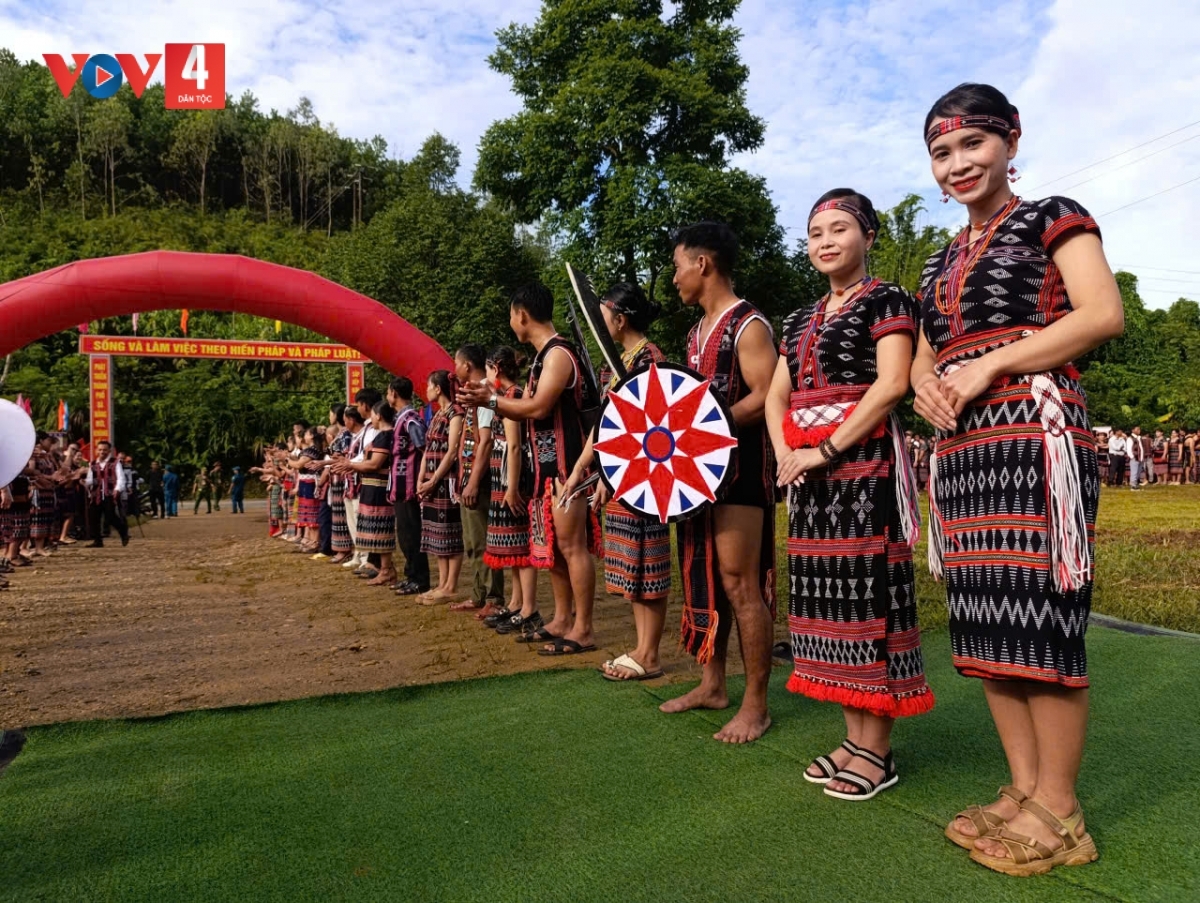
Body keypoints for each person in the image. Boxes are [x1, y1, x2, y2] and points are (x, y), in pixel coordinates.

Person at [913, 83, 1122, 875]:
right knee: (988, 622)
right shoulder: (939, 259)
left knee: (1041, 617)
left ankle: (1062, 812)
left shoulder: (1053, 217)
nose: (958, 163)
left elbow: (1100, 313)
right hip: (965, 449)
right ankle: (1026, 788)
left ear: (1011, 139)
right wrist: (925, 385)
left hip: (1035, 435)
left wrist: (989, 364)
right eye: (942, 152)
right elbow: (928, 352)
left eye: (973, 143)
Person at [767, 189, 934, 800]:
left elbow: (891, 384)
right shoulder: (797, 320)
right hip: (809, 479)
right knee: (827, 603)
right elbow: (777, 394)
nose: (826, 241)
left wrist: (825, 449)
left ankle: (878, 749)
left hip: (863, 467)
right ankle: (853, 737)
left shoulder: (888, 299)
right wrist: (787, 452)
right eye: (816, 233)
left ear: (867, 236)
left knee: (869, 599)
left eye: (839, 229)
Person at [657, 222, 779, 744]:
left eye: (677, 266)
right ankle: (712, 685)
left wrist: (706, 429)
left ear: (702, 264)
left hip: (742, 473)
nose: (674, 278)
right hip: (696, 477)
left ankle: (756, 705)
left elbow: (768, 393)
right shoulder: (695, 333)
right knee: (704, 577)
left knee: (739, 582)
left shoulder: (747, 325)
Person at [458, 283, 600, 657]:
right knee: (554, 550)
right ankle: (562, 619)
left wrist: (491, 400)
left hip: (566, 467)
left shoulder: (559, 354)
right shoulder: (543, 357)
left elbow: (538, 408)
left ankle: (584, 628)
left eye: (510, 315)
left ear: (521, 314)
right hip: (542, 470)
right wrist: (489, 399)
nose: (511, 322)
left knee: (571, 547)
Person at [559, 283, 672, 681]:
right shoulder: (614, 364)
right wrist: (582, 468)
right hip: (620, 475)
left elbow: (647, 424)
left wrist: (609, 471)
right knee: (631, 566)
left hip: (646, 476)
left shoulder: (649, 359)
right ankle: (642, 648)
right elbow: (607, 422)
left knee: (647, 561)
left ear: (620, 320)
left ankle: (650, 653)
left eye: (604, 315)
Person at [479, 346, 539, 633]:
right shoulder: (505, 396)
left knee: (521, 545)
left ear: (496, 368)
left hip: (510, 479)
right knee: (512, 547)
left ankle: (529, 608)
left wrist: (512, 488)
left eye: (487, 369)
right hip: (502, 479)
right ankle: (516, 602)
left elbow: (514, 445)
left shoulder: (513, 396)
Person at [452, 344, 506, 611]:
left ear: (466, 365)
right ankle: (478, 594)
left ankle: (493, 597)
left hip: (480, 478)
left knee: (483, 539)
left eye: (456, 363)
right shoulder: (475, 394)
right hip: (470, 474)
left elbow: (486, 441)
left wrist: (473, 482)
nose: (454, 369)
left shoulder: (484, 393)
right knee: (472, 540)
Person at [333, 401, 397, 586]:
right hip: (371, 487)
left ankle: (386, 569)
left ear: (379, 416)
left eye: (373, 415)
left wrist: (350, 465)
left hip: (378, 488)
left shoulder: (386, 436)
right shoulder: (381, 436)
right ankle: (383, 568)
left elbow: (374, 464)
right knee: (375, 529)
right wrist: (350, 464)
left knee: (381, 530)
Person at [417, 370, 466, 603]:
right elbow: (428, 450)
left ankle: (451, 586)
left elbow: (452, 451)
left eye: (429, 386)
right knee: (436, 533)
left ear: (438, 389)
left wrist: (434, 479)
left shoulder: (456, 413)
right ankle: (441, 583)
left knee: (449, 532)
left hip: (446, 481)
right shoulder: (437, 414)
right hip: (430, 481)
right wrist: (421, 478)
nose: (426, 390)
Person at [387, 377, 431, 596]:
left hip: (409, 484)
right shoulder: (402, 419)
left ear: (394, 393)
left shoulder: (410, 419)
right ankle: (411, 575)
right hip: (400, 483)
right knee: (404, 534)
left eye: (388, 392)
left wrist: (422, 479)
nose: (387, 397)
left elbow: (424, 449)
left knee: (413, 533)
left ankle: (420, 579)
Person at [84, 440, 130, 547]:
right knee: (94, 517)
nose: (102, 452)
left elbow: (121, 478)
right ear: (97, 450)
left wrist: (117, 489)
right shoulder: (93, 464)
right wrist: (85, 482)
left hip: (109, 494)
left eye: (104, 450)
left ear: (109, 451)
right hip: (96, 495)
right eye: (100, 450)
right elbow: (90, 479)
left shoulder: (115, 462)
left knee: (110, 517)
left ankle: (123, 532)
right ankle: (98, 540)